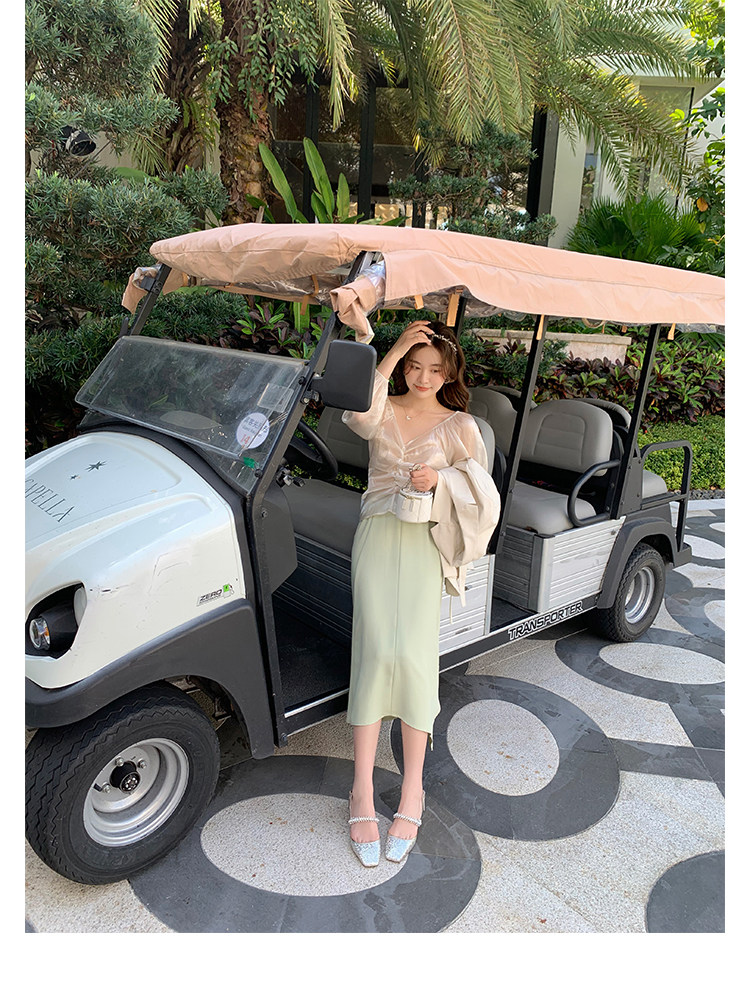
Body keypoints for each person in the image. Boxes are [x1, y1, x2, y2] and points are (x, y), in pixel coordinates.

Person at [341, 319, 499, 866]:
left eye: (434, 368)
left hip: (425, 545)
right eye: (414, 365)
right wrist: (392, 351)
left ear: (449, 373)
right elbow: (358, 416)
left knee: (413, 661)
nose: (423, 376)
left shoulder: (462, 426)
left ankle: (413, 792)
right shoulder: (382, 407)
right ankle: (361, 792)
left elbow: (483, 494)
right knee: (373, 656)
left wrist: (442, 481)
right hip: (377, 537)